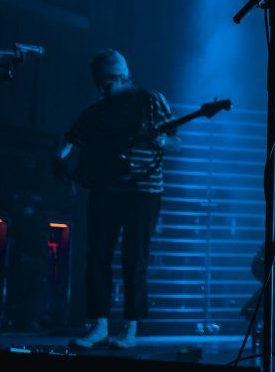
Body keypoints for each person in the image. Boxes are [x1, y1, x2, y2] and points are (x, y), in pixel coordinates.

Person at [51, 49, 179, 349]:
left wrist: (160, 139)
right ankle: (99, 325)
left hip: (143, 192)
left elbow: (176, 140)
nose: (102, 88)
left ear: (123, 76)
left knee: (135, 258)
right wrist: (58, 158)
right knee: (97, 257)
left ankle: (131, 329)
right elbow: (71, 139)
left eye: (107, 82)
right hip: (105, 190)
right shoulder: (95, 113)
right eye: (99, 83)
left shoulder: (150, 100)